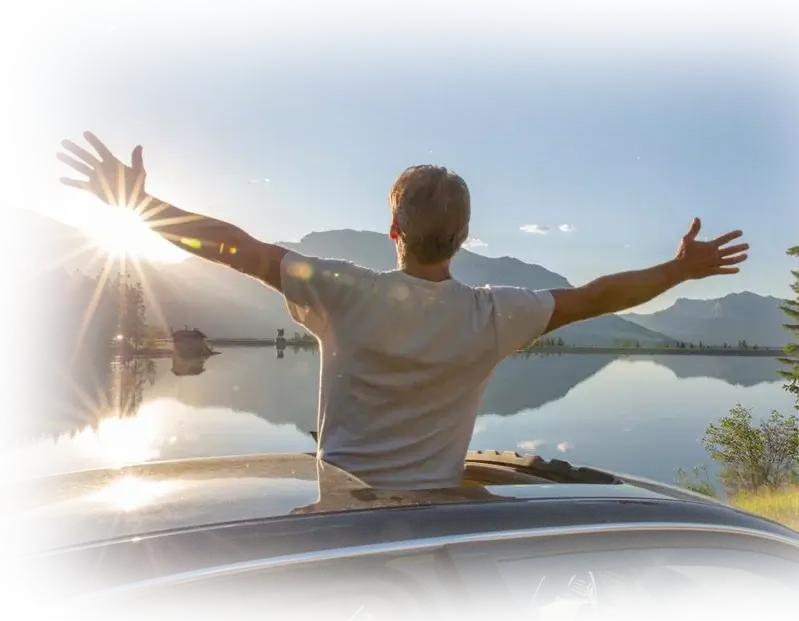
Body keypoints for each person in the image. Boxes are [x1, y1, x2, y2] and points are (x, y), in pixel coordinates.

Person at [56, 131, 749, 490]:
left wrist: (138, 206)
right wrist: (677, 269)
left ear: (393, 231)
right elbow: (599, 296)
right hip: (428, 532)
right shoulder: (495, 314)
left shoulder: (338, 288)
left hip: (340, 522)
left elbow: (239, 249)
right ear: (465, 238)